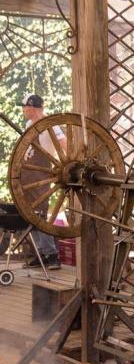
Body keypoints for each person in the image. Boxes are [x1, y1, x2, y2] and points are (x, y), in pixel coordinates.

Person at [17, 94, 65, 270]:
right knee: (28, 213)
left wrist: (66, 164)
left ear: (31, 107)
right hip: (26, 174)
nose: (23, 110)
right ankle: (41, 253)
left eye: (24, 107)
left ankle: (52, 255)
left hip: (40, 174)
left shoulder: (50, 124)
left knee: (40, 213)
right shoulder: (29, 125)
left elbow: (63, 143)